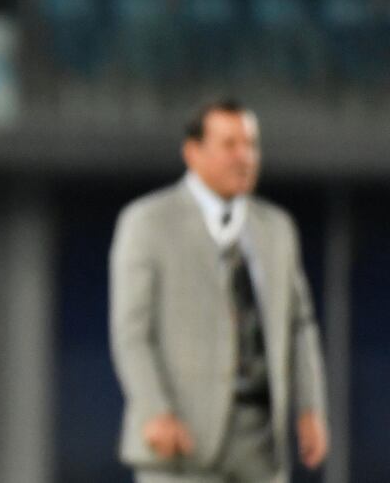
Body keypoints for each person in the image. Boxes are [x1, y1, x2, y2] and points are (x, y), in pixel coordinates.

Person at [109, 100, 328, 483]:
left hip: (261, 443)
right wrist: (154, 410)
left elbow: (300, 325)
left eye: (251, 144)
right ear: (193, 152)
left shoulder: (276, 228)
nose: (244, 156)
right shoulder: (148, 223)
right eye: (229, 145)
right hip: (182, 441)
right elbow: (132, 334)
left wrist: (310, 407)